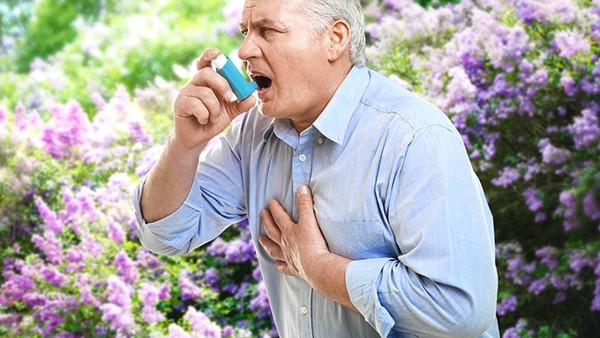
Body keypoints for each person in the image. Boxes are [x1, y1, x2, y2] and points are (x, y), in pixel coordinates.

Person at [133, 0, 499, 336]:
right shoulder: (253, 132)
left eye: (267, 31)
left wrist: (319, 269)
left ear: (334, 39)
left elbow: (459, 309)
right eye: (245, 32)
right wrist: (185, 145)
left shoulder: (414, 137)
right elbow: (166, 234)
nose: (244, 50)